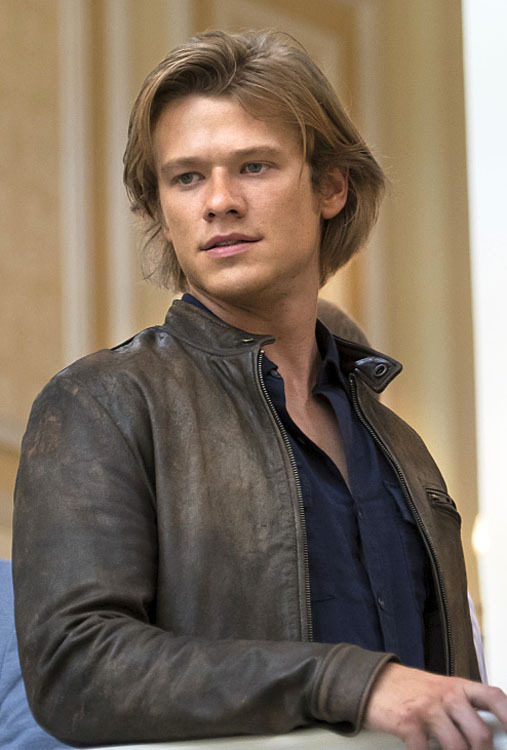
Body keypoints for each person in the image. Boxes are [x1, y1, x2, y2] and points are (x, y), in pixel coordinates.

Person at [12, 29, 507, 750]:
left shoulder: (401, 445)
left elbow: (449, 688)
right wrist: (351, 682)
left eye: (253, 165)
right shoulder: (99, 403)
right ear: (162, 211)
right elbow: (75, 668)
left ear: (331, 187)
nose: (219, 201)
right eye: (186, 178)